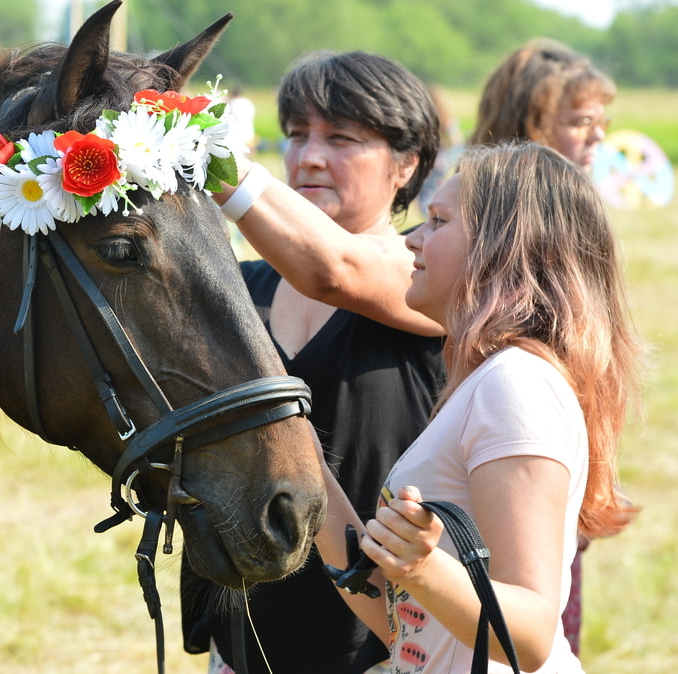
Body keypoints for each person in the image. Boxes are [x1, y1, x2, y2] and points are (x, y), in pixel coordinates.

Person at [310, 142, 640, 673]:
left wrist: (422, 570)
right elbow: (404, 622)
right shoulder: (489, 381)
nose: (411, 239)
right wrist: (303, 461)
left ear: (504, 247)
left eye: (437, 221)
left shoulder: (515, 384)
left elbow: (528, 638)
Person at [181, 50, 446, 674]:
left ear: (406, 165)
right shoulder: (240, 289)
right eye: (297, 135)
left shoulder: (427, 283)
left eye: (343, 138)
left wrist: (195, 151)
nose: (309, 157)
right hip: (243, 643)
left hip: (382, 644)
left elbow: (334, 270)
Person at [470, 38, 618, 654]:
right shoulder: (475, 228)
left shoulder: (574, 218)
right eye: (579, 122)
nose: (598, 139)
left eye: (600, 123)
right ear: (530, 126)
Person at [470, 38, 615, 172]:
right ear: (531, 127)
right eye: (583, 122)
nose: (598, 135)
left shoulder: (578, 196)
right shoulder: (470, 197)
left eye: (601, 122)